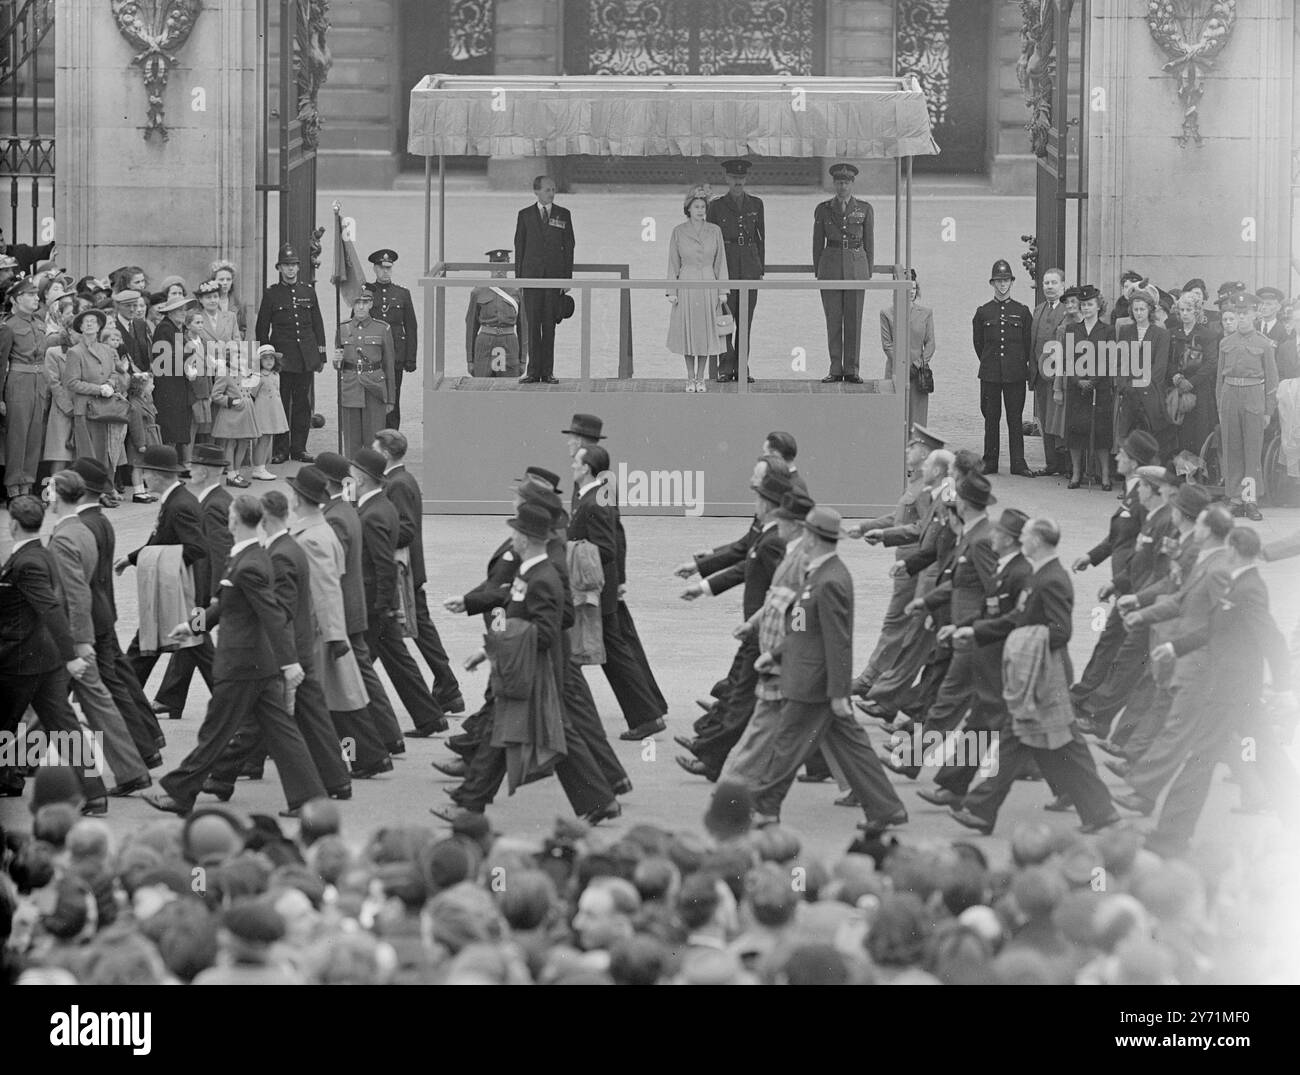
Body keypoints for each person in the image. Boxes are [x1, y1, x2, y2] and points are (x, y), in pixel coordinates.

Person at [142, 494, 327, 818]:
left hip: (242, 664)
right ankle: (308, 798)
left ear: (235, 521)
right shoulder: (251, 555)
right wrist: (192, 625)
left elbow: (271, 614)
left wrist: (290, 663)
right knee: (283, 734)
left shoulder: (250, 562)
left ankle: (180, 792)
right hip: (257, 663)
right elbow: (226, 603)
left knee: (215, 731)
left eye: (229, 515)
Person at [435, 504, 620, 827]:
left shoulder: (543, 577)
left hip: (529, 672)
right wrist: (484, 640)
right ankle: (600, 800)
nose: (513, 537)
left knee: (505, 734)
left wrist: (497, 647)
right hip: (520, 667)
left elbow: (546, 631)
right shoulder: (531, 572)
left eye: (516, 532)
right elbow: (511, 606)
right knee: (522, 735)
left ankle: (470, 805)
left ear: (527, 537)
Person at [948, 517, 1120, 836]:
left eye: (1026, 536)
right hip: (1041, 671)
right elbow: (1017, 616)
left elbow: (1060, 630)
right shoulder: (1039, 575)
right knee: (1058, 744)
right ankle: (1100, 811)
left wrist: (1025, 640)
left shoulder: (1051, 579)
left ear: (1038, 540)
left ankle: (981, 809)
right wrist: (977, 630)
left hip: (1045, 673)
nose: (1022, 540)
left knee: (1027, 737)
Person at [747, 506, 907, 834]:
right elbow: (804, 630)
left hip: (814, 685)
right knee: (853, 748)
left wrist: (837, 693)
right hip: (812, 679)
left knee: (787, 743)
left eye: (805, 532)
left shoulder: (831, 579)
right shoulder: (818, 574)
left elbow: (838, 643)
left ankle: (764, 807)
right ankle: (886, 808)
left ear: (814, 537)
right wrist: (777, 655)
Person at [1142, 526, 1295, 856]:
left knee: (1200, 760)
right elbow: (1213, 630)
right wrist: (1174, 647)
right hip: (1237, 692)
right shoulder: (1238, 584)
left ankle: (1170, 837)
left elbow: (1272, 638)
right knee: (1270, 760)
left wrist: (1284, 688)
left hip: (1231, 692)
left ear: (1235, 551)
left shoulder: (1249, 588)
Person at [201, 490, 353, 803]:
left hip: (284, 649)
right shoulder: (285, 547)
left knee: (275, 721)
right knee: (274, 720)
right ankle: (225, 776)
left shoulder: (279, 553)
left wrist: (286, 658)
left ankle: (217, 776)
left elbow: (277, 611)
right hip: (288, 648)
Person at [675, 469, 790, 780]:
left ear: (768, 503)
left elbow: (786, 590)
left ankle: (713, 754)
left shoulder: (772, 541)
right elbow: (744, 563)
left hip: (763, 633)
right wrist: (703, 585)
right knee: (739, 693)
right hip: (755, 630)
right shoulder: (766, 534)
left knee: (743, 699)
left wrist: (759, 622)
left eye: (758, 497)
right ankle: (709, 749)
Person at [286, 466, 393, 778]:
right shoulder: (326, 524)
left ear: (298, 497)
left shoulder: (316, 535)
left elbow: (326, 588)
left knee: (335, 705)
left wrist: (333, 636)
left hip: (321, 631)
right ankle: (363, 757)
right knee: (340, 703)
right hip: (328, 629)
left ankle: (362, 758)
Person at [569, 444, 668, 740]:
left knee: (616, 654)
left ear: (586, 467)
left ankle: (647, 716)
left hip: (597, 591)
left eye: (576, 461)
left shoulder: (594, 501)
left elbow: (607, 548)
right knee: (615, 654)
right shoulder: (593, 496)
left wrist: (574, 552)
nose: (572, 464)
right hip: (603, 590)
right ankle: (646, 715)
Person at [350, 447, 447, 737]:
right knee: (399, 662)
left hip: (375, 604)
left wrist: (382, 604)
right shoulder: (378, 505)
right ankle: (429, 717)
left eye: (353, 473)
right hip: (382, 604)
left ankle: (377, 737)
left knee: (357, 667)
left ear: (362, 477)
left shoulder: (373, 512)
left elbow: (383, 564)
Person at [316, 451, 404, 754]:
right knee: (363, 672)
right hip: (359, 607)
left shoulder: (344, 514)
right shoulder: (352, 509)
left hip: (355, 608)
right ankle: (388, 738)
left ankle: (363, 751)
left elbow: (377, 566)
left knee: (351, 680)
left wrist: (383, 604)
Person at [372, 428, 464, 715]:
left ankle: (447, 687)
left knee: (401, 634)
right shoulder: (400, 479)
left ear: (386, 454)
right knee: (421, 630)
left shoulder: (398, 484)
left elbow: (405, 529)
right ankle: (447, 686)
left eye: (375, 450)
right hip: (408, 571)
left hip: (404, 571)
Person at [116, 445, 209, 703]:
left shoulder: (180, 504)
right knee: (148, 642)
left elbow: (196, 548)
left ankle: (237, 710)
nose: (143, 477)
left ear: (156, 474)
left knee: (197, 648)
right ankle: (127, 699)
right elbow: (159, 540)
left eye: (145, 472)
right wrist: (131, 558)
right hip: (180, 594)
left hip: (188, 596)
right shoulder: (174, 500)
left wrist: (162, 566)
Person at [149, 442, 230, 722]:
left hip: (205, 587)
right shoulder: (216, 500)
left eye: (195, 466)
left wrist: (215, 593)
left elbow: (219, 553)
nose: (190, 470)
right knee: (191, 638)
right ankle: (169, 698)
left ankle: (228, 700)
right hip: (202, 585)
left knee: (195, 638)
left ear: (206, 471)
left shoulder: (213, 506)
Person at [255, 243, 325, 463]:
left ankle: (299, 448)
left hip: (305, 357)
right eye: (286, 265)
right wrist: (266, 357)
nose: (291, 270)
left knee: (303, 404)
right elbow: (262, 328)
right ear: (279, 268)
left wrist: (320, 355)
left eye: (294, 265)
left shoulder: (308, 291)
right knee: (281, 403)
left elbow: (317, 325)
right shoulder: (272, 294)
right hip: (282, 359)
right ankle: (280, 450)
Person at [1216, 293, 1278, 520]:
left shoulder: (1264, 343)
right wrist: (1220, 407)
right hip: (1230, 396)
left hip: (1253, 398)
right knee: (1232, 450)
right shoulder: (1225, 343)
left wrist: (1268, 410)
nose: (1241, 318)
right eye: (1238, 313)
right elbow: (1218, 380)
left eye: (1245, 313)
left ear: (1254, 314)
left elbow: (1272, 380)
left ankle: (1250, 500)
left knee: (1252, 451)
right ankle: (1234, 499)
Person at [813, 163, 873, 383]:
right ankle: (835, 368)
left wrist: (867, 271)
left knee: (854, 320)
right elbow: (817, 243)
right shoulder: (824, 209)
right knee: (833, 320)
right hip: (830, 267)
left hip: (856, 268)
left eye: (846, 183)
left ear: (852, 184)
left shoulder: (864, 209)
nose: (842, 187)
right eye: (839, 182)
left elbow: (869, 243)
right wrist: (819, 271)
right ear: (834, 184)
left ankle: (852, 369)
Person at [973, 260, 1034, 476]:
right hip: (990, 374)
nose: (1002, 285)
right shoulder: (983, 312)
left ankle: (1018, 463)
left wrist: (1020, 365)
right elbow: (978, 344)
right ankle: (990, 461)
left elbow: (1028, 344)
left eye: (1006, 280)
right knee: (991, 418)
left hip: (1015, 373)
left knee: (1015, 418)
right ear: (992, 283)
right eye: (998, 281)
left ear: (1011, 282)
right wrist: (989, 362)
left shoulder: (1022, 312)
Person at [707, 159, 764, 382]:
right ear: (727, 179)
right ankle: (725, 366)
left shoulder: (757, 204)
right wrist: (713, 271)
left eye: (741, 178)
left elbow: (761, 239)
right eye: (734, 178)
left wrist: (760, 268)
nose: (738, 182)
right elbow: (711, 240)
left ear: (745, 179)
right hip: (726, 265)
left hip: (749, 267)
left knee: (745, 321)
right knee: (724, 320)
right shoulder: (716, 206)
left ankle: (742, 367)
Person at [666, 188, 729, 392]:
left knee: (704, 332)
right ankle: (690, 377)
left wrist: (722, 290)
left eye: (703, 207)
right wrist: (672, 291)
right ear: (688, 208)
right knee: (688, 331)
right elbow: (673, 262)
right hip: (687, 282)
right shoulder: (678, 231)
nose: (700, 210)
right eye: (696, 207)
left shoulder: (715, 230)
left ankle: (701, 377)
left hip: (709, 282)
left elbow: (721, 262)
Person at [513, 175, 574, 384]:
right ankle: (533, 371)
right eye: (547, 190)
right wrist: (519, 279)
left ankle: (547, 371)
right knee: (532, 326)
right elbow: (519, 247)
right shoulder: (525, 215)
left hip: (553, 279)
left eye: (553, 189)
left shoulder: (563, 214)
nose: (552, 193)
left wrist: (566, 280)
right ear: (536, 191)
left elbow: (569, 248)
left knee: (549, 325)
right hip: (531, 280)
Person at [1060, 284, 1115, 488]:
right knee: (1076, 430)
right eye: (1083, 305)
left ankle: (1105, 474)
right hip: (1078, 387)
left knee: (1101, 432)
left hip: (1099, 388)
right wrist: (1077, 380)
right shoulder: (1072, 329)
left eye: (1090, 304)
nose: (1086, 308)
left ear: (1098, 306)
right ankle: (1076, 473)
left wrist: (1094, 380)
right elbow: (1067, 359)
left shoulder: (1107, 330)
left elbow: (1109, 359)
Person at [64, 308, 124, 484]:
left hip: (105, 408)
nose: (89, 323)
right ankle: (92, 490)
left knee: (104, 450)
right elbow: (72, 382)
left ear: (99, 327)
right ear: (81, 327)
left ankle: (105, 488)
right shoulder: (75, 352)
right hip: (85, 408)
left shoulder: (106, 349)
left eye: (94, 321)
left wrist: (110, 385)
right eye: (85, 321)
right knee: (88, 453)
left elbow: (113, 373)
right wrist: (99, 389)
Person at [1, 277, 48, 496]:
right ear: (15, 299)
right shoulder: (9, 327)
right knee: (17, 437)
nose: (35, 298)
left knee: (34, 437)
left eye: (36, 294)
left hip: (38, 384)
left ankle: (27, 486)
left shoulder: (39, 323)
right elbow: (1, 365)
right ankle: (13, 489)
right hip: (18, 384)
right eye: (30, 294)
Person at [334, 291, 395, 457]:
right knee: (351, 441)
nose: (361, 306)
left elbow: (389, 365)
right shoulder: (343, 328)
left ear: (370, 304)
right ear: (352, 305)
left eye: (365, 302)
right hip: (351, 387)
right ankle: (353, 475)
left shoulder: (382, 328)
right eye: (357, 302)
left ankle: (374, 476)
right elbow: (339, 364)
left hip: (374, 388)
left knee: (374, 440)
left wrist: (390, 398)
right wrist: (336, 361)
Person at [364, 250, 418, 428]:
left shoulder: (402, 294)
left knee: (393, 397)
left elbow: (411, 327)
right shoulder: (366, 293)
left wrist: (411, 358)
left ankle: (392, 439)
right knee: (373, 397)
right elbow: (358, 323)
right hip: (373, 355)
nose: (385, 271)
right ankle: (374, 436)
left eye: (388, 268)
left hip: (396, 355)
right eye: (381, 268)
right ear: (374, 269)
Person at [1115, 286, 1171, 453]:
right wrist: (1124, 385)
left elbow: (1159, 369)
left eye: (1142, 309)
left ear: (1150, 310)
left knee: (1149, 439)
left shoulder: (1161, 334)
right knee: (1126, 439)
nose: (1139, 313)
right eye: (1136, 309)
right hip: (1129, 394)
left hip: (1150, 394)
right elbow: (1121, 362)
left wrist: (1140, 386)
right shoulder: (1126, 331)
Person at [1167, 290, 1219, 457]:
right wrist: (1175, 376)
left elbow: (1211, 363)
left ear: (1197, 311)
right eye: (1182, 310)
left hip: (1199, 390)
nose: (1185, 314)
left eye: (1189, 310)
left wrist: (1191, 382)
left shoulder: (1208, 334)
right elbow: (1167, 360)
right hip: (1177, 389)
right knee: (1177, 430)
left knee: (1198, 432)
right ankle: (1179, 472)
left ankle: (1197, 471)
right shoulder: (1172, 334)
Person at [880, 270, 936, 426]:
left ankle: (917, 449)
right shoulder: (887, 314)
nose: (911, 292)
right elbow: (887, 345)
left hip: (918, 374)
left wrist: (917, 365)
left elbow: (931, 343)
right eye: (908, 288)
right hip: (895, 371)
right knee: (894, 417)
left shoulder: (926, 313)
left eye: (914, 288)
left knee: (917, 420)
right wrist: (902, 365)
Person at [150, 293, 196, 458]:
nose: (183, 313)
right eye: (179, 310)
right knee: (170, 427)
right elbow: (165, 358)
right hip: (167, 384)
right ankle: (166, 464)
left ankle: (172, 463)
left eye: (184, 310)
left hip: (176, 382)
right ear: (169, 312)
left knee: (175, 426)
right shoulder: (165, 328)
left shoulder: (176, 329)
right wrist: (187, 353)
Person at [209, 342, 260, 488]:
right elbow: (215, 395)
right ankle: (231, 474)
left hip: (246, 412)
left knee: (244, 442)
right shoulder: (224, 373)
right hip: (232, 412)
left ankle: (237, 472)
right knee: (230, 443)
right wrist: (231, 401)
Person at [465, 249, 522, 378]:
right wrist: (470, 359)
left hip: (510, 342)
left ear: (508, 267)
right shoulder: (478, 292)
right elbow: (471, 327)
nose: (499, 271)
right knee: (481, 387)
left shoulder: (517, 292)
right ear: (490, 267)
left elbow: (523, 327)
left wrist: (523, 359)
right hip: (484, 342)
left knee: (509, 388)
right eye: (495, 266)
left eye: (503, 266)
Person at [249, 344, 288, 480]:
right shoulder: (258, 376)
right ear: (259, 361)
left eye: (271, 358)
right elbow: (253, 392)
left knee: (267, 438)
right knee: (263, 439)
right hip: (263, 410)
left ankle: (261, 466)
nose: (269, 361)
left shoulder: (276, 374)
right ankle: (258, 468)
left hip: (274, 409)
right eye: (265, 359)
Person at [208, 258, 247, 336]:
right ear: (214, 281)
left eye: (228, 279)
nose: (225, 283)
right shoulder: (207, 302)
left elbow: (242, 329)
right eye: (221, 279)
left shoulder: (239, 304)